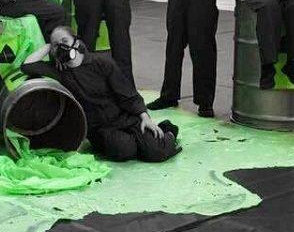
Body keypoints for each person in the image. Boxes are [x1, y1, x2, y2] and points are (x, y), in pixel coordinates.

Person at [22, 26, 180, 162]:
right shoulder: (59, 71)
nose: (61, 47)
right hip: (101, 128)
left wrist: (145, 117)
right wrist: (50, 46)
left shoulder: (101, 63)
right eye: (57, 45)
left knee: (157, 152)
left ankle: (167, 131)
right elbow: (28, 65)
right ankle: (140, 143)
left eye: (64, 41)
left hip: (125, 118)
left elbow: (127, 93)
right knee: (123, 151)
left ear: (76, 42)